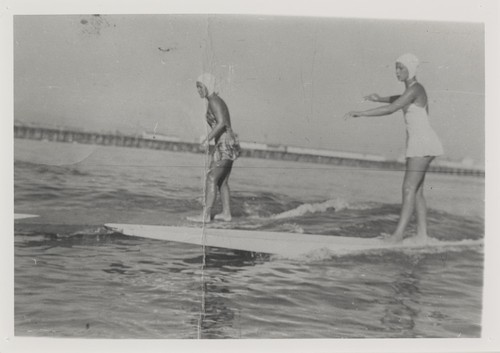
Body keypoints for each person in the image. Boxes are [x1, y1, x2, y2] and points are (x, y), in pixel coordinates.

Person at [344, 53, 443, 243]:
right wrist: (379, 98)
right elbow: (399, 98)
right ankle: (422, 235)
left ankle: (397, 236)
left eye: (401, 68)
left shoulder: (416, 88)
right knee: (417, 190)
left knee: (408, 188)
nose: (397, 71)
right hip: (421, 142)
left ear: (411, 69)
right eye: (396, 67)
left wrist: (361, 113)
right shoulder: (412, 90)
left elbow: (392, 108)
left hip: (422, 143)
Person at [187, 73, 240, 223]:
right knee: (222, 181)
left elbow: (222, 122)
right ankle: (227, 213)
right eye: (196, 87)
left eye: (200, 86)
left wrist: (206, 139)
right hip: (230, 143)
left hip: (224, 144)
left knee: (211, 178)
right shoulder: (217, 100)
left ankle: (205, 216)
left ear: (207, 85)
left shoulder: (214, 101)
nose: (198, 90)